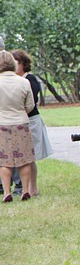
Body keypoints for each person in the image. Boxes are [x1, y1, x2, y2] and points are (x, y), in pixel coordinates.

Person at [12, 50, 53, 197]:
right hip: (16, 121)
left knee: (30, 157)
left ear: (23, 64)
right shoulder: (10, 80)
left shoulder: (30, 79)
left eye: (17, 62)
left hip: (31, 120)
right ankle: (25, 187)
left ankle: (32, 188)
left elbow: (32, 102)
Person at [0, 51, 35, 202]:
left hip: (2, 123)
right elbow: (30, 105)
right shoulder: (23, 82)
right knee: (24, 159)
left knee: (4, 160)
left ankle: (7, 191)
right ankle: (25, 190)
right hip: (21, 123)